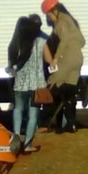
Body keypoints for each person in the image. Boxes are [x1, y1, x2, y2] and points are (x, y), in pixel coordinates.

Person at [7, 15, 54, 153]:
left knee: (18, 109)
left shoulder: (17, 42)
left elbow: (12, 64)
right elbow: (49, 60)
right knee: (33, 115)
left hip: (20, 82)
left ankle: (15, 140)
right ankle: (27, 144)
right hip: (36, 83)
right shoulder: (41, 41)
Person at [41, 0, 85, 133]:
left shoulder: (61, 22)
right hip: (78, 59)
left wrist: (56, 57)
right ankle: (71, 124)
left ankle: (44, 123)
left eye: (48, 15)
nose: (48, 19)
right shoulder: (72, 21)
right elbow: (82, 41)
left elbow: (64, 41)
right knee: (69, 92)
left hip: (66, 59)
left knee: (51, 85)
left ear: (53, 11)